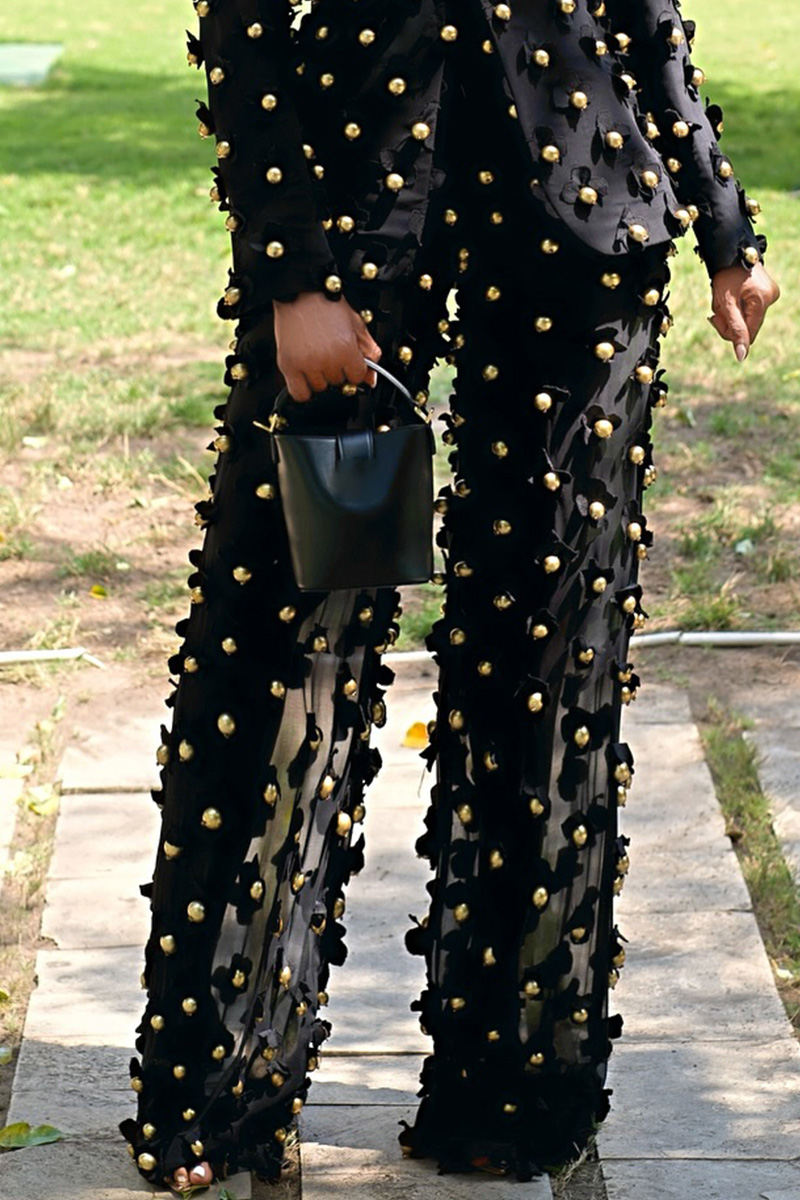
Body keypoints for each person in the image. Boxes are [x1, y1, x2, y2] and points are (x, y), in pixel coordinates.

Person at [119, 0, 780, 1190]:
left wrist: (721, 220)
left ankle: (512, 1090)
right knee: (275, 652)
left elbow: (644, 12)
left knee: (551, 667)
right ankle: (215, 1091)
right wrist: (290, 270)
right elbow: (243, 24)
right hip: (352, 219)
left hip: (588, 214)